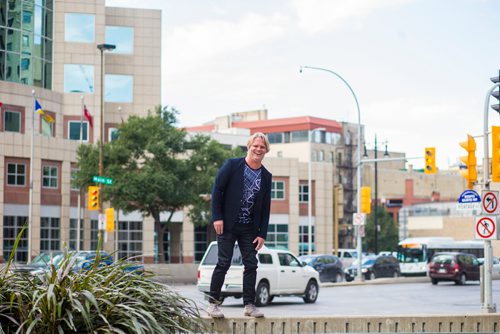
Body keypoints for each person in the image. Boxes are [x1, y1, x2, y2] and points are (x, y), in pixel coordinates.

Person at [207, 132, 272, 319]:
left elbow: (266, 206)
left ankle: (249, 305)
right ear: (249, 146)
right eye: (255, 146)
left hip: (249, 228)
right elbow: (217, 189)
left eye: (262, 147)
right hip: (227, 224)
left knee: (251, 264)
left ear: (266, 150)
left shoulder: (266, 176)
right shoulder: (233, 165)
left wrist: (262, 233)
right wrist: (217, 217)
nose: (258, 149)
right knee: (223, 262)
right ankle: (213, 304)